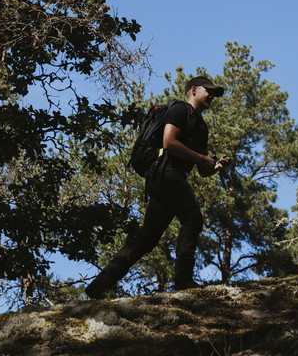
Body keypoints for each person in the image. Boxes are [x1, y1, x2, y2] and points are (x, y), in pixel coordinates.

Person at [85, 76, 231, 298]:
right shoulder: (180, 110)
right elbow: (169, 142)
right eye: (208, 90)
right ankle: (183, 282)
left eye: (214, 93)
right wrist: (201, 158)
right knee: (192, 219)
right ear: (193, 90)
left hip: (173, 175)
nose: (211, 95)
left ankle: (99, 285)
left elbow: (202, 170)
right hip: (164, 171)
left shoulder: (201, 125)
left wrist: (215, 165)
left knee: (147, 238)